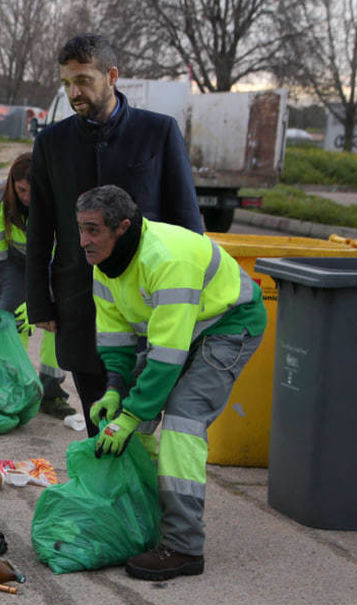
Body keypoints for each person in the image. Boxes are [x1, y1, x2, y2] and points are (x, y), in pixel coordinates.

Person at [79, 185, 265, 581]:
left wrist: (131, 413)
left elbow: (165, 358)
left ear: (123, 227)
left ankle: (183, 547)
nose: (84, 241)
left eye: (93, 230)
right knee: (133, 418)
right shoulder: (105, 264)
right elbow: (116, 337)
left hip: (228, 324)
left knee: (183, 420)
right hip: (179, 333)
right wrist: (115, 390)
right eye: (81, 229)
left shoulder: (166, 259)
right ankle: (139, 523)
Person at [24, 33, 203, 437]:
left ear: (112, 76)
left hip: (150, 303)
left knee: (142, 418)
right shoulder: (52, 143)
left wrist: (194, 301)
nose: (75, 91)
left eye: (84, 80)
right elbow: (40, 229)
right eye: (67, 82)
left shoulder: (158, 133)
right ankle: (106, 496)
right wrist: (40, 302)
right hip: (80, 302)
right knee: (97, 419)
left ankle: (137, 494)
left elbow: (188, 225)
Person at [0, 152, 76, 418]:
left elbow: (66, 260)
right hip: (16, 261)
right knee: (8, 314)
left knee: (56, 320)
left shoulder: (61, 202)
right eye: (21, 190)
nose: (26, 197)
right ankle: (14, 388)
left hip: (56, 265)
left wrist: (39, 302)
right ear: (12, 183)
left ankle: (51, 392)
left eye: (33, 191)